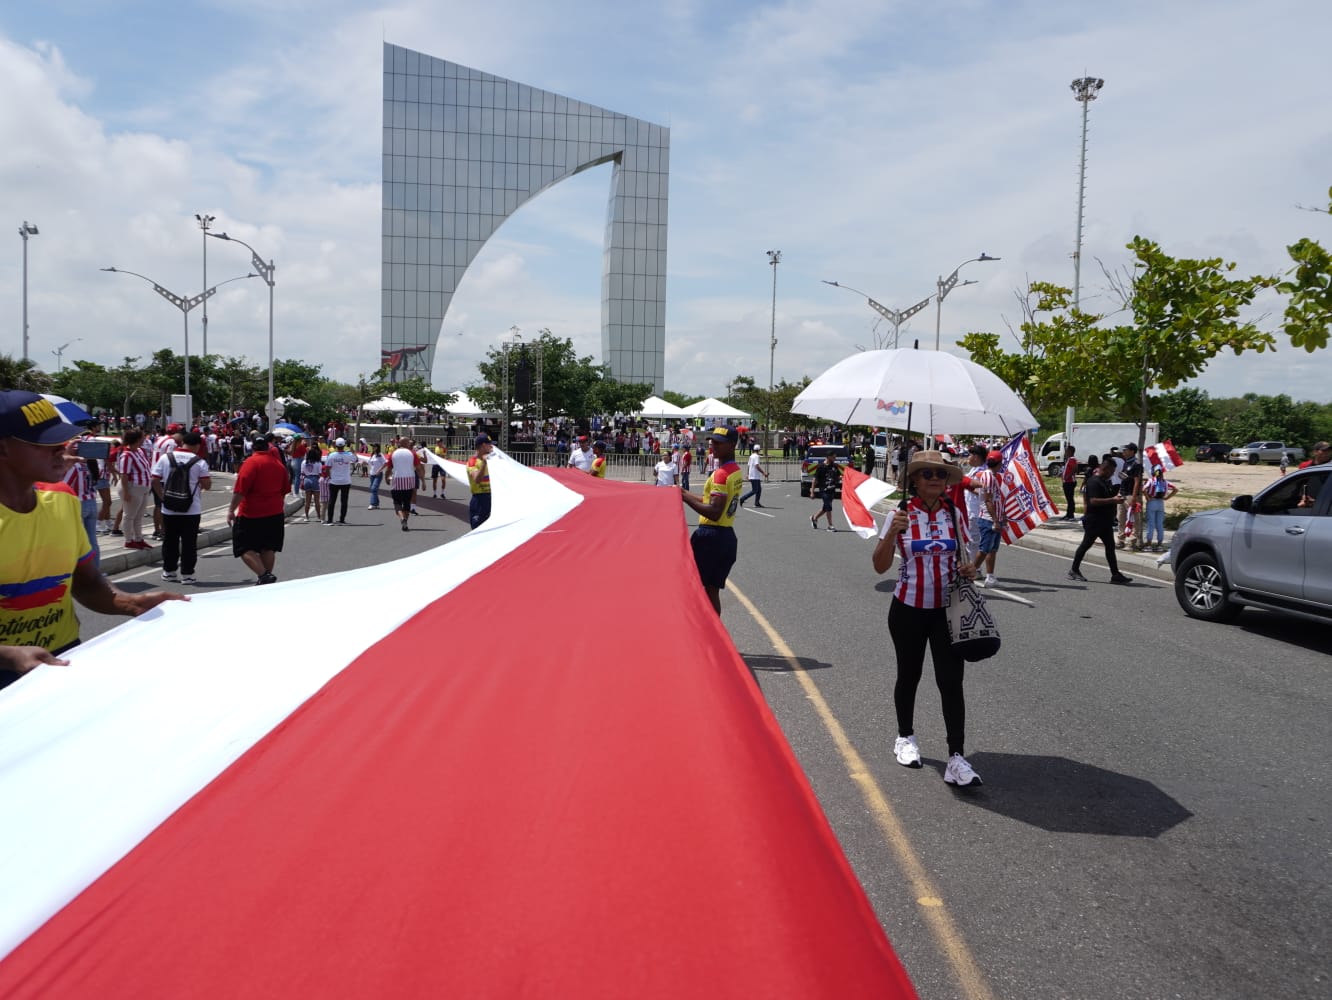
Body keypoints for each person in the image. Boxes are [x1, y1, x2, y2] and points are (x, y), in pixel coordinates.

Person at [0, 391, 185, 688]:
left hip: (59, 661)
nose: (61, 448)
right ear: (3, 449)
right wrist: (8, 656)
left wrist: (132, 603)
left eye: (60, 439)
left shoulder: (62, 499)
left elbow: (85, 583)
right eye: (44, 442)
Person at [871, 449, 981, 788]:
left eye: (940, 474)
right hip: (908, 608)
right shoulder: (900, 514)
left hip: (947, 610)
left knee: (951, 681)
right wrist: (892, 533)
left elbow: (969, 556)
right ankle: (905, 737)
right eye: (927, 474)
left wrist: (970, 567)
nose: (935, 479)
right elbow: (879, 565)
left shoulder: (954, 512)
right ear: (915, 480)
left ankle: (957, 757)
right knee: (910, 674)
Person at [680, 427, 743, 615]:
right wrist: (683, 492)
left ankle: (701, 630)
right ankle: (712, 632)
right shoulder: (735, 470)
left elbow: (714, 511)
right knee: (711, 590)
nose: (713, 446)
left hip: (711, 536)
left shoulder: (720, 474)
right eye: (712, 441)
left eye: (719, 443)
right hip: (725, 536)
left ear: (732, 445)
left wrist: (684, 498)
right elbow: (710, 501)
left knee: (694, 585)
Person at [226, 435, 289, 585]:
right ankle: (266, 578)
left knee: (243, 547)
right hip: (274, 512)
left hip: (251, 513)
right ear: (268, 447)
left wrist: (230, 510)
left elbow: (240, 490)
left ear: (253, 447)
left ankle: (263, 575)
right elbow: (285, 489)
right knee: (268, 547)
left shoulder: (250, 463)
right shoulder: (278, 465)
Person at [152, 431, 211, 585]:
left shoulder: (166, 457)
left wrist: (162, 496)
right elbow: (207, 485)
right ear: (198, 445)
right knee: (189, 543)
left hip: (169, 507)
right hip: (191, 509)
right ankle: (187, 574)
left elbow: (154, 479)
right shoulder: (200, 462)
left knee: (170, 540)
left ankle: (169, 572)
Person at [1067, 457, 1132, 584]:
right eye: (1112, 471)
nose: (1113, 474)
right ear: (1105, 468)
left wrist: (1120, 487)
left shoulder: (1104, 481)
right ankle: (1073, 570)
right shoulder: (1093, 482)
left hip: (1105, 521)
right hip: (1094, 521)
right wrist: (1113, 500)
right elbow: (1093, 501)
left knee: (1110, 547)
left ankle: (1115, 574)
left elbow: (1108, 494)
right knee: (1086, 544)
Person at [970, 450, 1005, 588]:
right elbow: (989, 500)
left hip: (994, 516)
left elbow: (985, 495)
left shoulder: (989, 475)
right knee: (984, 548)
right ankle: (970, 574)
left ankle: (990, 576)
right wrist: (996, 520)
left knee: (993, 549)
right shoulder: (989, 477)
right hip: (988, 518)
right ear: (1000, 463)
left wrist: (1002, 517)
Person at [115, 427, 154, 550]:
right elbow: (124, 475)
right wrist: (126, 492)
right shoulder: (126, 455)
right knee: (129, 515)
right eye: (142, 437)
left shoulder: (139, 451)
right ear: (137, 439)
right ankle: (128, 540)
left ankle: (139, 538)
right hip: (133, 487)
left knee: (139, 515)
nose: (144, 439)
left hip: (143, 487)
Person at [1142, 466, 1177, 552]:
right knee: (1160, 524)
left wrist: (1147, 497)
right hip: (1161, 503)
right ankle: (1159, 544)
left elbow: (1143, 489)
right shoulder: (1164, 482)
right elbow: (1175, 489)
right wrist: (1167, 498)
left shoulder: (1151, 481)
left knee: (1151, 524)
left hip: (1152, 501)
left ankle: (1149, 544)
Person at [388, 437, 418, 531]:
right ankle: (405, 520)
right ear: (406, 443)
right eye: (408, 442)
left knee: (397, 503)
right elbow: (419, 467)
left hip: (397, 482)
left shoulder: (393, 453)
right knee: (406, 503)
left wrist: (386, 477)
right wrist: (423, 480)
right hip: (409, 482)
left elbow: (389, 468)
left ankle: (401, 518)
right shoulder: (412, 453)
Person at [323, 437, 355, 525]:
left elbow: (327, 468)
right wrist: (352, 451)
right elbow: (355, 460)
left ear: (335, 445)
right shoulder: (348, 455)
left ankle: (330, 520)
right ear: (344, 445)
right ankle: (342, 519)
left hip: (334, 481)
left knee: (332, 500)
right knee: (344, 501)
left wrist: (330, 477)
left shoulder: (331, 455)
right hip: (346, 481)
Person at [1118, 442, 1144, 550]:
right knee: (1121, 517)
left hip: (1131, 494)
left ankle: (1133, 542)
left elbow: (1137, 481)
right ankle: (1120, 540)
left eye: (1126, 450)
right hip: (1123, 493)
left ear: (1132, 451)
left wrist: (1134, 496)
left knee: (1133, 518)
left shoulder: (1136, 464)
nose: (1123, 452)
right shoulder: (1126, 463)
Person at [467, 434, 493, 529]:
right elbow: (477, 479)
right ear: (483, 445)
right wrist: (484, 463)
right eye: (489, 444)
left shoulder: (492, 460)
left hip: (491, 499)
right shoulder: (472, 461)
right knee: (477, 531)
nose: (491, 447)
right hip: (479, 500)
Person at [810, 453, 841, 530]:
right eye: (833, 457)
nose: (835, 458)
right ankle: (830, 525)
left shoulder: (835, 466)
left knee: (826, 508)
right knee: (828, 507)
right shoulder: (821, 467)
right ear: (828, 457)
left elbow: (838, 476)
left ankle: (814, 518)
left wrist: (845, 477)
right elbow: (815, 480)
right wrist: (812, 492)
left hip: (832, 490)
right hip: (824, 490)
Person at [300, 445, 323, 522]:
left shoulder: (304, 462)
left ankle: (306, 517)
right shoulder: (318, 463)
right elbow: (320, 473)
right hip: (315, 479)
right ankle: (319, 516)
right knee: (317, 501)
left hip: (307, 479)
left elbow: (302, 473)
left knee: (307, 501)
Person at [366, 444, 387, 509]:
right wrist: (364, 463)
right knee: (373, 489)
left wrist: (379, 470)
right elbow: (370, 463)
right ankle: (376, 504)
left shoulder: (380, 455)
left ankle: (372, 504)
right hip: (372, 474)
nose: (373, 448)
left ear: (377, 447)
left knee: (374, 488)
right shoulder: (372, 455)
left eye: (374, 446)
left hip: (378, 475)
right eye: (372, 446)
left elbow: (385, 463)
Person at [1060, 447, 1079, 520]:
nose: (1065, 452)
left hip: (1070, 482)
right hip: (1067, 482)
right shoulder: (1069, 459)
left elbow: (1075, 468)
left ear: (1070, 451)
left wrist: (1068, 476)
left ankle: (1071, 515)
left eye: (1067, 451)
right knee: (1068, 499)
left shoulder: (1072, 459)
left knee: (1070, 498)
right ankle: (1068, 514)